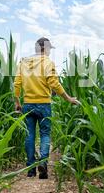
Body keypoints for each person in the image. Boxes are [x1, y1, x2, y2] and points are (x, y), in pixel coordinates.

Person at [13, 37, 80, 179]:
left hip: (28, 104)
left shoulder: (24, 62)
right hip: (44, 105)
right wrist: (68, 98)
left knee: (29, 134)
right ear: (46, 49)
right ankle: (43, 163)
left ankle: (31, 168)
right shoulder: (47, 62)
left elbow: (17, 84)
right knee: (44, 134)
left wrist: (17, 102)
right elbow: (54, 83)